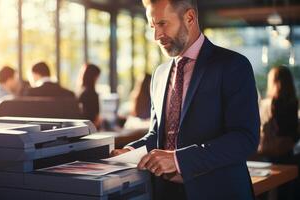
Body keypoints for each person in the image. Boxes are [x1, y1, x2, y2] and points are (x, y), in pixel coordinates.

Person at [111, 0, 260, 199]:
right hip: (164, 193)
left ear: (189, 17)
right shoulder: (159, 74)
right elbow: (157, 135)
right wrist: (129, 151)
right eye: (153, 27)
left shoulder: (233, 65)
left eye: (162, 24)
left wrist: (179, 159)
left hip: (218, 192)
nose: (156, 36)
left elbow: (244, 139)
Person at [258, 66, 298, 162]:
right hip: (287, 150)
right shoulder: (293, 102)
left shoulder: (269, 103)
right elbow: (294, 130)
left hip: (270, 150)